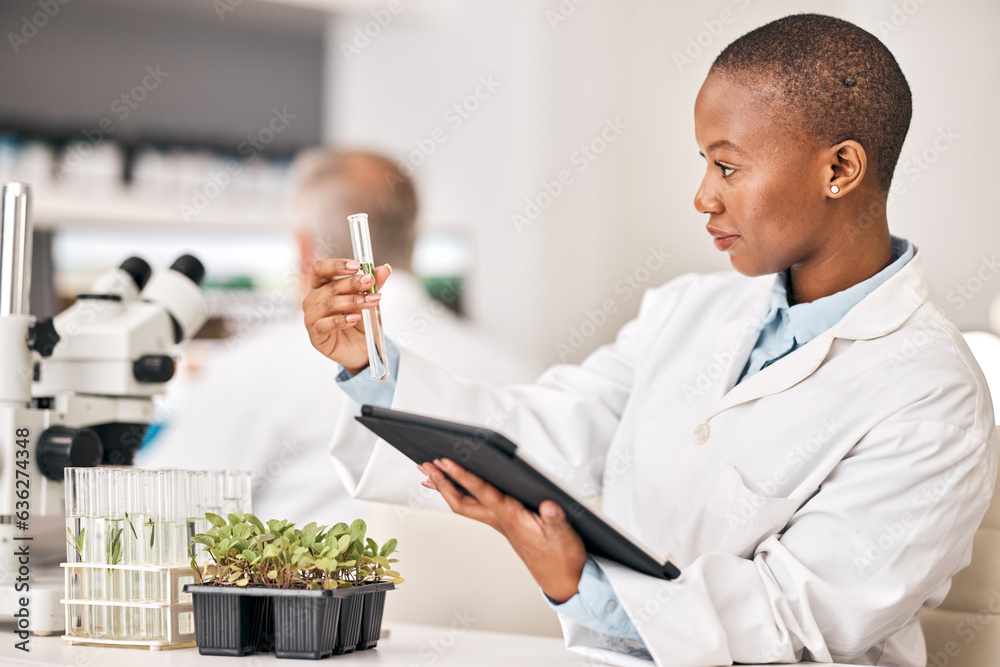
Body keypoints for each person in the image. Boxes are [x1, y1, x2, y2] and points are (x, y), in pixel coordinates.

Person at [303, 15, 997, 667]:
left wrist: (585, 585)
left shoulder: (933, 393)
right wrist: (369, 365)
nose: (702, 196)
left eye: (727, 166)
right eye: (704, 163)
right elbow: (548, 429)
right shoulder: (693, 309)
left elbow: (800, 615)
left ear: (839, 169)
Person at [137, 149, 541, 525]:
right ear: (412, 235)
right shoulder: (519, 370)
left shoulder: (255, 367)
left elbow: (154, 517)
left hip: (318, 603)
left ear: (304, 248)